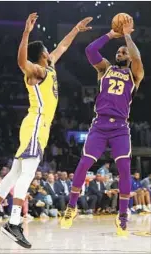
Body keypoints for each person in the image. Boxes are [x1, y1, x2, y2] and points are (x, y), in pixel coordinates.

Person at [0, 13, 93, 249]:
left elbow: (64, 45)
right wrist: (26, 34)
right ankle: (14, 221)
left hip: (40, 126)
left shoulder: (50, 68)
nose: (52, 52)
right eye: (48, 50)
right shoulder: (37, 72)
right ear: (42, 55)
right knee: (27, 174)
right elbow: (21, 62)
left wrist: (76, 29)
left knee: (14, 174)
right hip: (36, 123)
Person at [61, 16, 144, 237]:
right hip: (99, 125)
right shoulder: (105, 69)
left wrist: (127, 36)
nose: (120, 54)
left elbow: (137, 57)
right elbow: (90, 51)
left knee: (125, 169)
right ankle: (72, 206)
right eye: (118, 52)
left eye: (123, 52)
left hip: (120, 128)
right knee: (84, 163)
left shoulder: (135, 75)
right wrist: (110, 35)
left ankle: (123, 216)